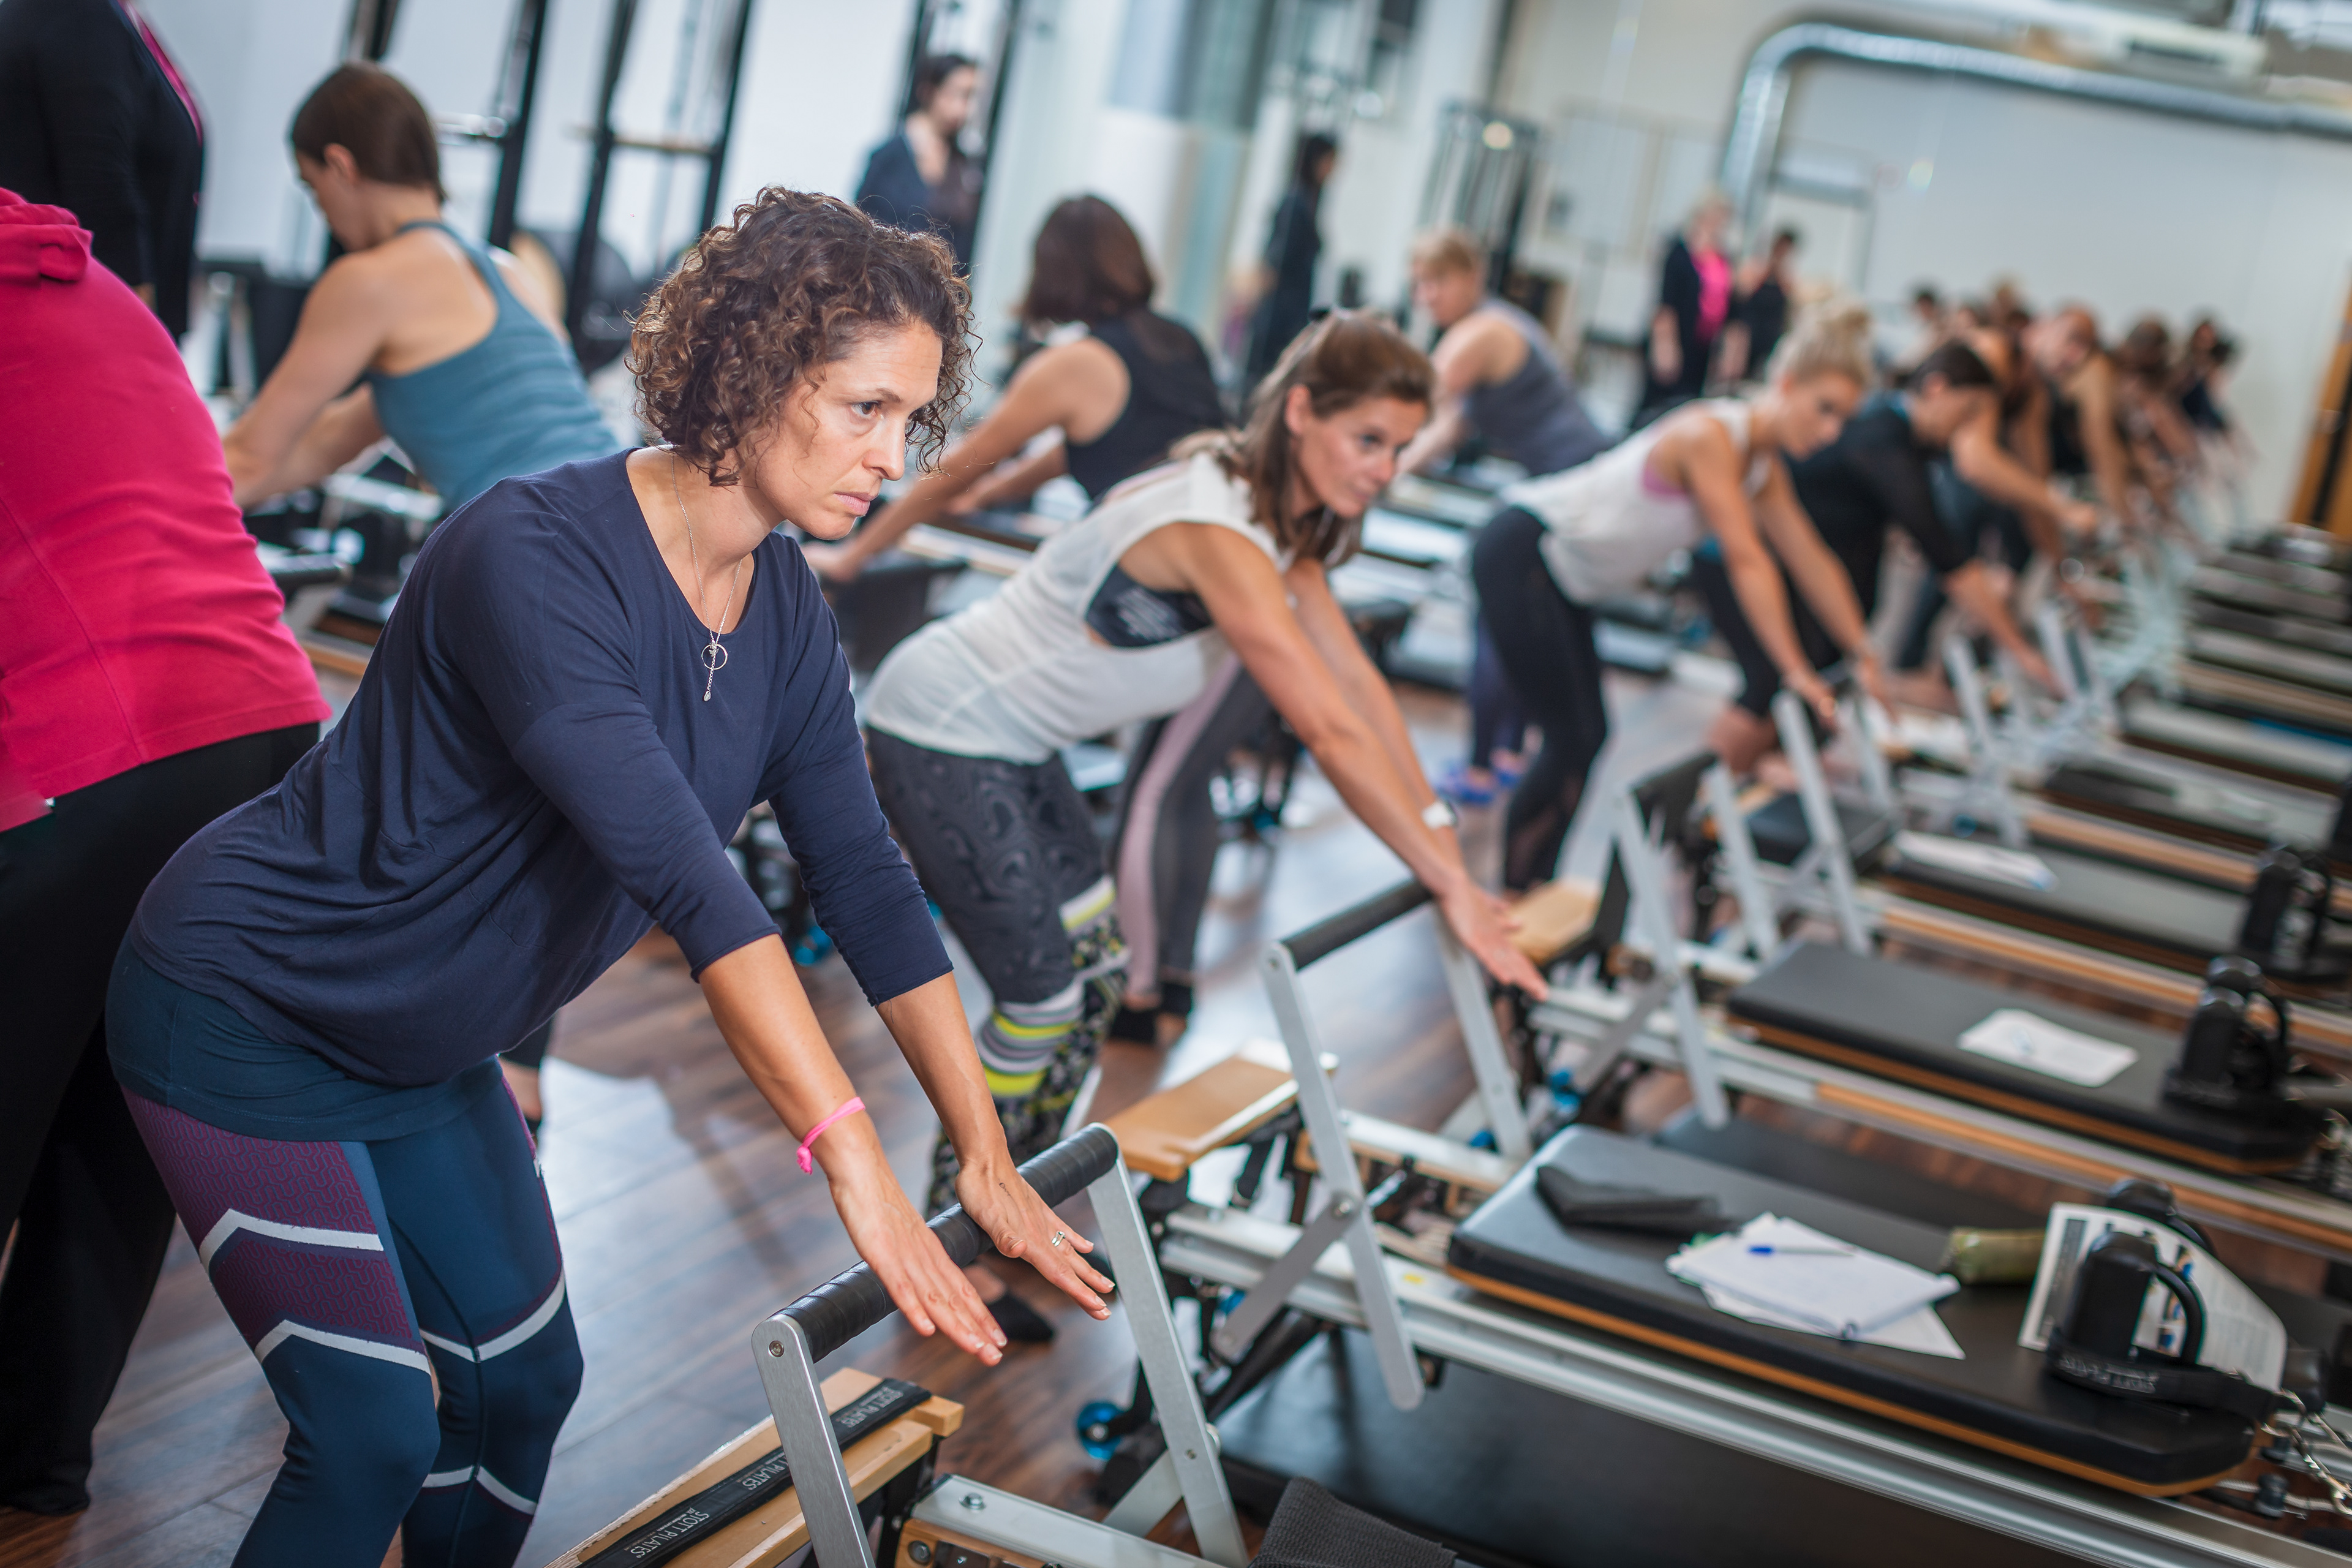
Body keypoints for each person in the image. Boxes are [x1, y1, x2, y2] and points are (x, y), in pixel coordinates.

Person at [107, 189, 1111, 1568]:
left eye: (910, 418)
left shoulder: (787, 614)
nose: (894, 456)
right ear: (750, 368)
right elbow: (698, 889)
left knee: (524, 1388)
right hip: (249, 1005)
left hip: (423, 1045)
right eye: (863, 407)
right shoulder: (534, 554)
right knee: (371, 1427)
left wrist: (983, 1153)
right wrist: (858, 1165)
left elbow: (867, 881)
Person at [861, 311, 1548, 1326]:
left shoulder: (1281, 522)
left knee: (1097, 977)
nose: (1387, 470)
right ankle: (954, 1228)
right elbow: (1324, 728)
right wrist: (1450, 884)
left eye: (1402, 448)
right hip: (944, 726)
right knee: (1046, 995)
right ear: (1303, 412)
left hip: (1017, 745)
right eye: (1370, 442)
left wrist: (1450, 851)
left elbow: (1362, 693)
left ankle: (1021, 1207)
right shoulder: (1218, 528)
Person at [0, 187, 329, 1515]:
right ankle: (32, 1453)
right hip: (268, 732)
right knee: (109, 1117)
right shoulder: (93, 287)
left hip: (107, 745)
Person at [218, 62, 625, 1126]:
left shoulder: (373, 277)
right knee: (524, 810)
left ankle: (319, 1025)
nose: (326, 219)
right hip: (616, 548)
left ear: (342, 167)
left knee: (374, 793)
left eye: (316, 194)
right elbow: (333, 438)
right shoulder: (497, 269)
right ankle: (516, 1075)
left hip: (529, 566)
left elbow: (255, 457)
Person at [804, 195, 1234, 1054]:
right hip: (1205, 620)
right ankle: (1163, 983)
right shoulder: (1179, 345)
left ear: (1059, 269)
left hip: (1163, 618)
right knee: (1180, 793)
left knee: (1152, 799)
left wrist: (855, 556)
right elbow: (1062, 455)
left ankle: (1143, 994)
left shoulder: (1077, 362)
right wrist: (993, 495)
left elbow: (957, 465)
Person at [1475, 300, 1893, 892]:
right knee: (1575, 735)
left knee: (1586, 736)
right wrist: (1796, 670)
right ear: (1787, 382)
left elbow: (1813, 562)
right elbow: (1748, 559)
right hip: (1523, 550)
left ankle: (1532, 893)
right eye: (1823, 410)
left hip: (1563, 577)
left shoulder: (1761, 466)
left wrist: (1864, 653)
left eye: (1840, 422)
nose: (1828, 432)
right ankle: (1516, 896)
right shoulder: (1710, 437)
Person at [1695, 338, 2057, 772]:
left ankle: (1741, 798)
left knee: (1800, 697)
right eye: (1963, 416)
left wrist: (1862, 649)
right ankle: (1701, 803)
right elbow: (1947, 556)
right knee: (1767, 683)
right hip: (1746, 562)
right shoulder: (1884, 438)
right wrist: (2020, 650)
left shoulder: (1907, 442)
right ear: (1937, 389)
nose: (1961, 431)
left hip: (1802, 574)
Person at [1396, 224, 1613, 805]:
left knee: (1498, 617)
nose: (1426, 298)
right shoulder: (1502, 324)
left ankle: (1480, 768)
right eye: (1419, 285)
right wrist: (1396, 470)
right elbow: (1451, 424)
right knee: (1525, 613)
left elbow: (1406, 402)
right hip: (1570, 480)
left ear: (1469, 278)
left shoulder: (1477, 336)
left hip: (1569, 485)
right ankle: (1508, 753)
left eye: (1436, 283)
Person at [0, 0, 203, 337]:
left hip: (73, 309)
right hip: (85, 316)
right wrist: (137, 337)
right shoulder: (79, 14)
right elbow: (100, 185)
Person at [854, 52, 982, 271]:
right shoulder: (889, 157)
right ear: (930, 91)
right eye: (960, 94)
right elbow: (858, 227)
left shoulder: (964, 166)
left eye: (972, 97)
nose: (966, 108)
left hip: (936, 293)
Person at [1243, 132, 1339, 385]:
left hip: (1291, 306)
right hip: (1281, 310)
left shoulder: (1309, 201)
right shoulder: (1296, 202)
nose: (1334, 170)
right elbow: (1273, 263)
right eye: (1331, 161)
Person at [1635, 192, 1733, 423]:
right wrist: (1665, 346)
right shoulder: (1679, 251)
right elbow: (1665, 302)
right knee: (1656, 403)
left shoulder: (1722, 257)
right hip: (1674, 336)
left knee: (1687, 405)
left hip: (1701, 345)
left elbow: (1729, 304)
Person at [1720, 227, 1799, 386]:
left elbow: (1791, 304)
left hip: (1769, 338)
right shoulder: (1755, 267)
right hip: (1747, 336)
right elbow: (1740, 297)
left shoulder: (1786, 276)